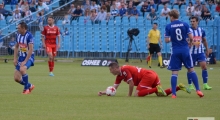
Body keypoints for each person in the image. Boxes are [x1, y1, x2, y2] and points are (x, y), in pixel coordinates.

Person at [165, 9, 204, 98]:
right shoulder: (185, 24)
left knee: (174, 72)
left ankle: (174, 94)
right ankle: (198, 90)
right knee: (191, 69)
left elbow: (166, 40)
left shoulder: (168, 26)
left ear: (171, 16)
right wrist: (189, 42)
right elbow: (191, 37)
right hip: (185, 50)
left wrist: (173, 38)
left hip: (175, 51)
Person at [98, 62, 191, 97]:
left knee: (137, 94)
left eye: (111, 70)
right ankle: (179, 87)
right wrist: (104, 92)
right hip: (152, 74)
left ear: (115, 68)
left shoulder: (124, 69)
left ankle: (157, 88)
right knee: (160, 94)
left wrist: (129, 95)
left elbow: (131, 83)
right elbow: (114, 88)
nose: (110, 72)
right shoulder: (119, 76)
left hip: (148, 76)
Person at [188, 16, 212, 90]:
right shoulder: (188, 30)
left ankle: (205, 84)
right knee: (190, 69)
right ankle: (190, 85)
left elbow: (204, 40)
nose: (192, 23)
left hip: (200, 52)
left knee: (204, 66)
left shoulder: (201, 30)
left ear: (197, 22)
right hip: (191, 53)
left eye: (193, 21)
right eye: (191, 21)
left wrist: (207, 49)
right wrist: (189, 43)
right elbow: (186, 41)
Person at [13, 22, 35, 94]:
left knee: (22, 69)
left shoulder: (29, 36)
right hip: (21, 57)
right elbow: (16, 47)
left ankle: (26, 89)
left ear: (23, 28)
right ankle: (29, 85)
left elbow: (31, 49)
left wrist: (25, 61)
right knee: (16, 78)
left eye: (19, 28)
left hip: (29, 57)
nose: (18, 29)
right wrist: (15, 58)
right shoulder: (18, 35)